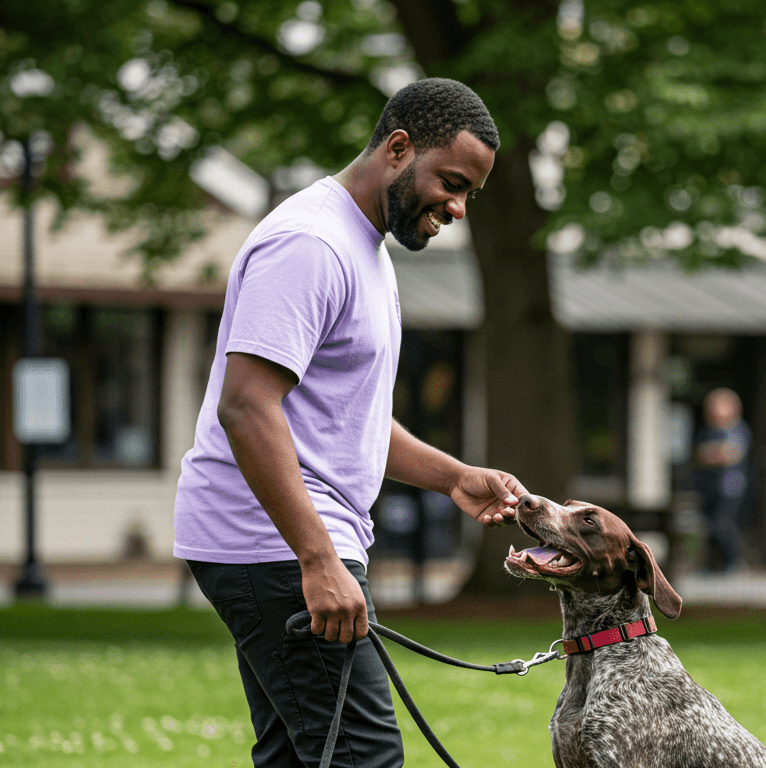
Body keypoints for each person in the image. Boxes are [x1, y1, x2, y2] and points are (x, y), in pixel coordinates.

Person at [173, 78, 526, 768]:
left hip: (286, 542)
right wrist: (317, 559)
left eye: (470, 194)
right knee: (364, 757)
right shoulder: (311, 244)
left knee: (303, 756)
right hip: (273, 544)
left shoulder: (362, 247)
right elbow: (246, 407)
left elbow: (343, 419)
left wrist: (453, 477)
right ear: (398, 148)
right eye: (451, 183)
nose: (458, 208)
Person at [694, 387, 751, 573]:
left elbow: (731, 454)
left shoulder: (737, 429)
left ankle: (734, 562)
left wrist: (713, 453)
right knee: (708, 526)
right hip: (708, 487)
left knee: (724, 524)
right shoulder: (708, 431)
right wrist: (716, 452)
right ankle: (713, 565)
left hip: (730, 488)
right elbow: (700, 454)